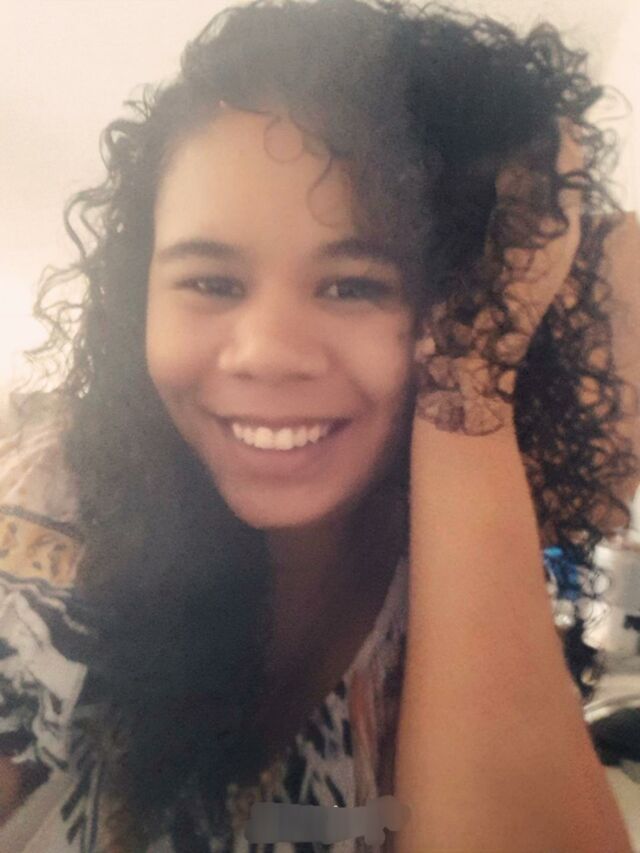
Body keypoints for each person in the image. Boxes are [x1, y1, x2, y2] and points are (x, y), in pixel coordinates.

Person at [0, 0, 638, 850]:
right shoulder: (61, 499)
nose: (265, 354)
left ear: (463, 304)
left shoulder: (469, 561)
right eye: (211, 283)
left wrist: (469, 388)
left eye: (354, 286)